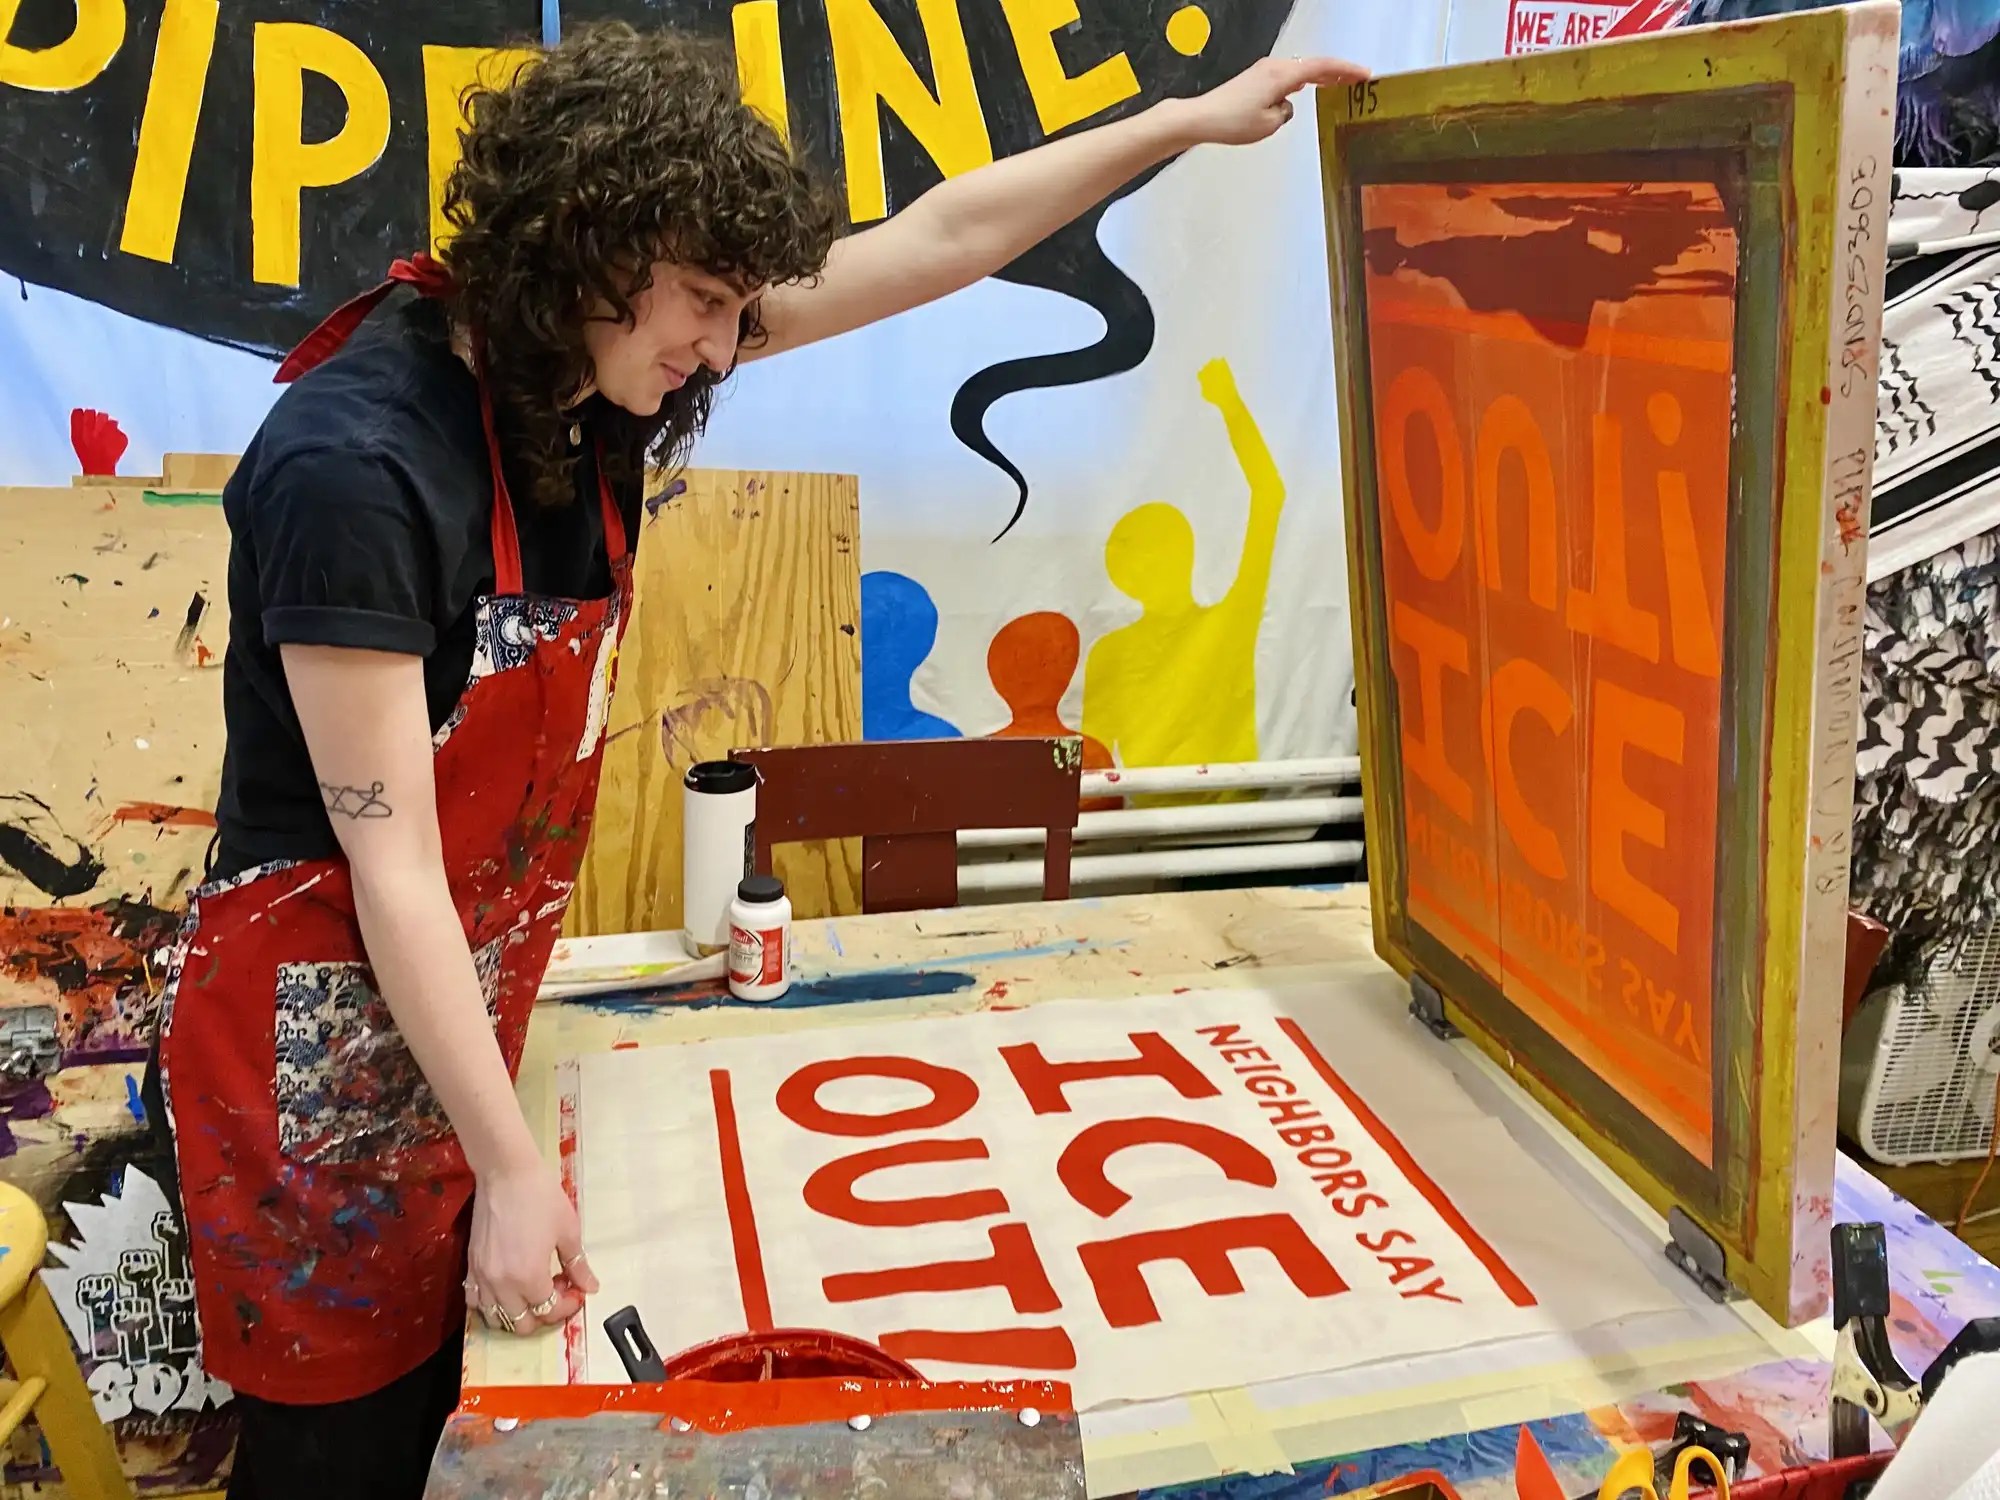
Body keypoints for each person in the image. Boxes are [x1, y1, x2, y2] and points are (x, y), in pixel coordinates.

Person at [147, 21, 1366, 1498]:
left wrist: (1184, 119)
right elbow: (392, 865)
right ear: (593, 248)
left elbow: (940, 236)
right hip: (317, 1038)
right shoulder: (360, 467)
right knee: (348, 1452)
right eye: (709, 305)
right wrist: (514, 1168)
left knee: (472, 1400)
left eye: (736, 309)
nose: (725, 345)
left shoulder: (584, 373)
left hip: (460, 1010)